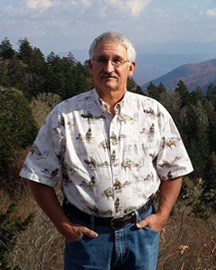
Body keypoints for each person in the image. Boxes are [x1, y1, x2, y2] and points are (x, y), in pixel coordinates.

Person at [20, 31, 193, 270]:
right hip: (87, 239)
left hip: (140, 234)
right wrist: (63, 225)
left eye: (117, 60)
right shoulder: (65, 116)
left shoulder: (153, 112)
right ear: (90, 66)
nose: (109, 67)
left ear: (130, 68)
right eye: (101, 60)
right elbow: (37, 176)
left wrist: (162, 216)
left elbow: (174, 168)